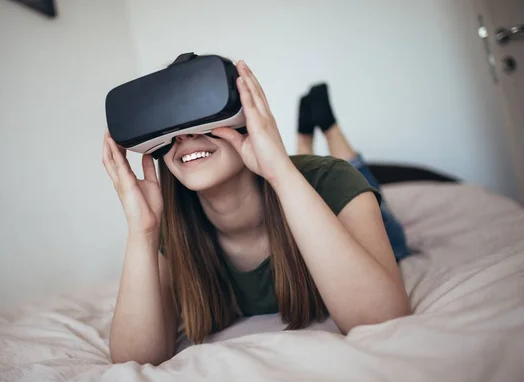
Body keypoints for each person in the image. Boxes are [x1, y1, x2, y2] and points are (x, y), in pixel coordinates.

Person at [102, 60, 411, 366]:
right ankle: (303, 140)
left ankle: (327, 129)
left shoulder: (331, 180)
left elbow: (381, 320)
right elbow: (134, 360)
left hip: (331, 190)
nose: (183, 136)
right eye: (172, 130)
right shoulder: (174, 227)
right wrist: (142, 230)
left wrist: (280, 170)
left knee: (386, 219)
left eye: (200, 120)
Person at [296, 83, 411, 261]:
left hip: (318, 245)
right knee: (373, 212)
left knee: (304, 207)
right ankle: (330, 129)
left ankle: (304, 139)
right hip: (382, 247)